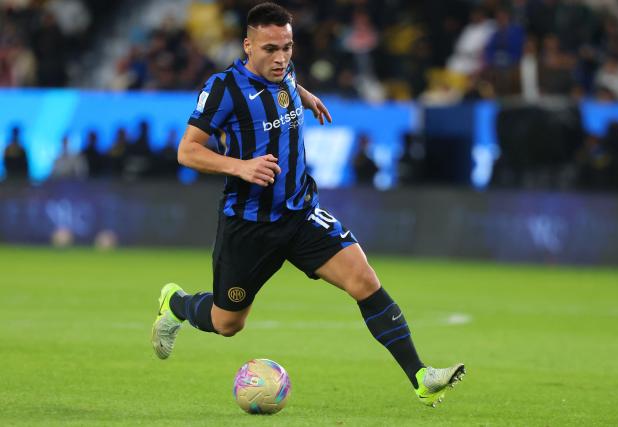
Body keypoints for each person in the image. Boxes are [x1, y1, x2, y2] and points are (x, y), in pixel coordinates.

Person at [151, 2, 465, 407]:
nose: (280, 57)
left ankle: (421, 376)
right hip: (249, 225)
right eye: (269, 49)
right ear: (248, 46)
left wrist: (305, 95)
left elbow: (285, 83)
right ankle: (175, 304)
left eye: (287, 47)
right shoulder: (223, 90)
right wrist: (240, 166)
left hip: (300, 213)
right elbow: (187, 152)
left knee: (364, 280)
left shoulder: (285, 72)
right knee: (227, 323)